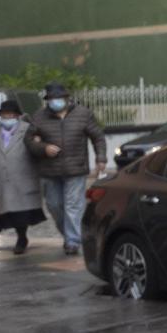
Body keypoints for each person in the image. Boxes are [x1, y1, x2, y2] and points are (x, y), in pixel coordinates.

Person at [25, 80, 107, 255]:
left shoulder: (83, 114)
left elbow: (97, 137)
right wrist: (43, 148)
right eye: (52, 98)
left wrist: (101, 157)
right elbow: (29, 140)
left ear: (66, 97)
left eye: (58, 97)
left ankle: (72, 241)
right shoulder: (39, 116)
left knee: (73, 205)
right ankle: (69, 234)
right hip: (49, 170)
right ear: (47, 100)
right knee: (54, 205)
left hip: (75, 168)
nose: (55, 101)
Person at [0, 99, 45, 253]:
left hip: (22, 176)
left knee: (21, 212)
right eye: (4, 114)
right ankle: (20, 235)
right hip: (0, 178)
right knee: (6, 211)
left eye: (10, 114)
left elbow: (38, 149)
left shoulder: (28, 129)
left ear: (17, 115)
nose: (7, 117)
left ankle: (21, 237)